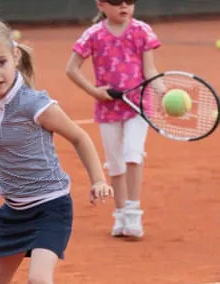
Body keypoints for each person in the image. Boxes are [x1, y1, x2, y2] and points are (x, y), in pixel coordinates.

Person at [0, 16, 113, 284]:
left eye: (1, 63)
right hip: (14, 211)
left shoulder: (35, 104)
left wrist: (98, 179)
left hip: (51, 206)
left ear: (15, 57)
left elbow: (79, 137)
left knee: (38, 283)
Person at [66, 0, 161, 239]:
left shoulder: (142, 31)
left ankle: (133, 212)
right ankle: (120, 214)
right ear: (101, 4)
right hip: (108, 110)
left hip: (137, 107)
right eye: (117, 2)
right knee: (116, 163)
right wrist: (95, 92)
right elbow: (71, 69)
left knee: (132, 153)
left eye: (130, 1)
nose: (125, 6)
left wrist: (164, 92)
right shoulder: (94, 34)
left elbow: (150, 72)